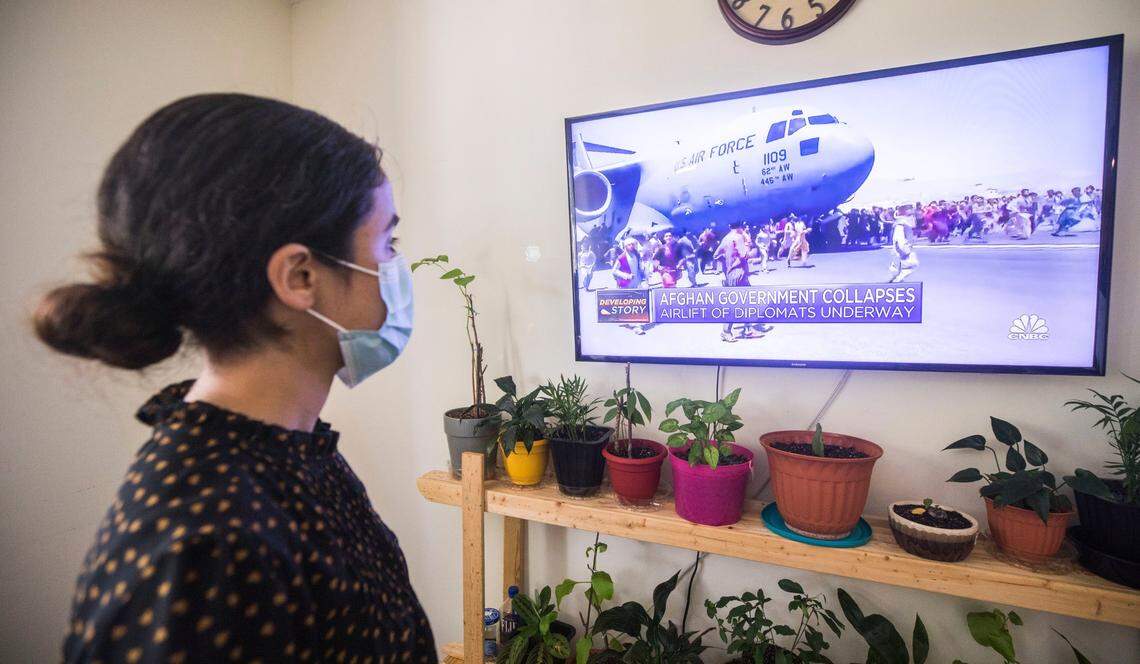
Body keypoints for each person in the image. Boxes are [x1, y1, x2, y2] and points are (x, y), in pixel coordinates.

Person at [36, 95, 436, 662]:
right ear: (300, 276)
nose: (396, 267)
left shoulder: (289, 451)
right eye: (385, 244)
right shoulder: (206, 544)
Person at [889, 205, 919, 283]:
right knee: (909, 265)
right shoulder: (901, 225)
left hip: (903, 248)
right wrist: (905, 250)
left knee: (901, 268)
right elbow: (898, 240)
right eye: (910, 214)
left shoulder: (905, 224)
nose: (912, 217)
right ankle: (896, 281)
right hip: (902, 249)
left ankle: (897, 280)